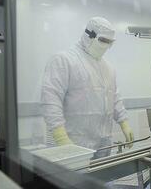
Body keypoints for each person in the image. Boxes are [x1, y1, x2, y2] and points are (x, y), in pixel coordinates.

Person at [41, 17, 134, 158]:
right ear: (89, 35)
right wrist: (61, 138)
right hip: (72, 144)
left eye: (109, 42)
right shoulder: (63, 60)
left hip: (103, 145)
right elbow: (50, 100)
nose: (105, 46)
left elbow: (114, 98)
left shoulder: (107, 68)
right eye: (103, 40)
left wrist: (124, 123)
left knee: (99, 179)